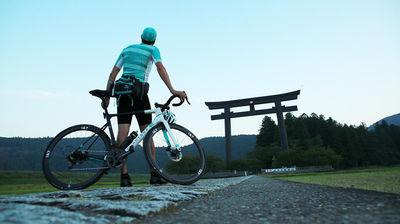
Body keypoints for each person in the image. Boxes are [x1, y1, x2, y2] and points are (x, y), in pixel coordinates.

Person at [102, 27, 187, 187]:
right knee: (147, 132)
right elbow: (160, 68)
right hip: (139, 94)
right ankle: (154, 174)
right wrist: (172, 90)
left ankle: (124, 176)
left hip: (123, 93)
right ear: (154, 40)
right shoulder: (153, 49)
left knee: (123, 132)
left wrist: (107, 95)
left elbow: (113, 74)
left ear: (140, 37)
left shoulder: (127, 49)